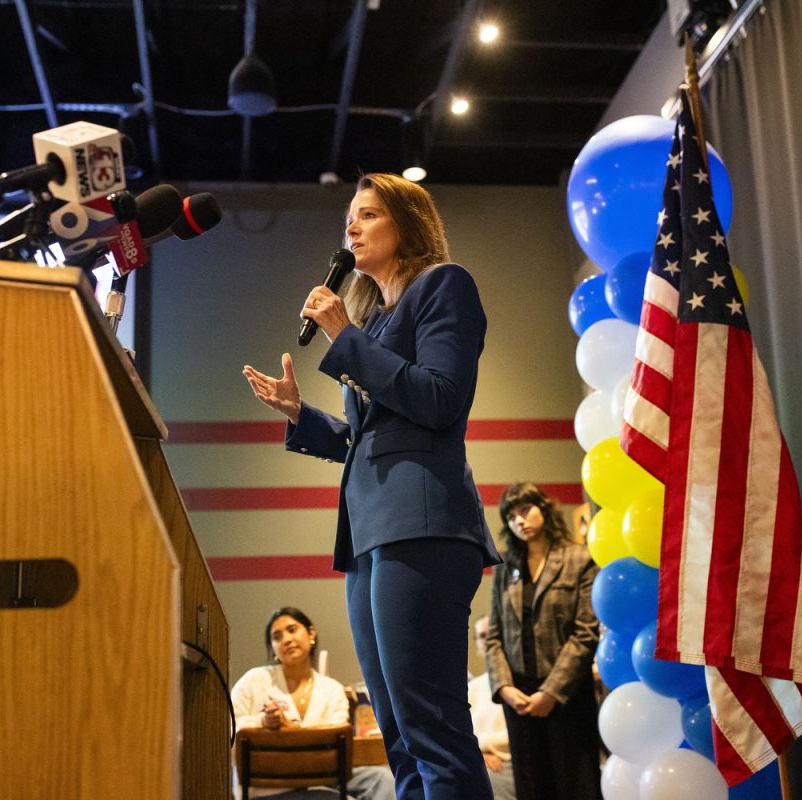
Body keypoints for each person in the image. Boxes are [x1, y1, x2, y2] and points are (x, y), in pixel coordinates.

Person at [243, 173, 501, 800]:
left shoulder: (445, 286)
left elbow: (440, 401)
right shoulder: (376, 323)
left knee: (432, 727)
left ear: (406, 224)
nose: (350, 228)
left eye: (367, 215)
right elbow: (372, 439)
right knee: (399, 737)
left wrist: (343, 337)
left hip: (424, 525)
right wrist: (303, 416)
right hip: (368, 535)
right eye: (348, 219)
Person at [485, 482, 601, 799]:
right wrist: (504, 687)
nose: (519, 520)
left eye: (525, 510)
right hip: (518, 699)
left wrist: (551, 691)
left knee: (576, 785)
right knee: (532, 789)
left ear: (544, 509)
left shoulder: (579, 559)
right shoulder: (506, 568)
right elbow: (493, 634)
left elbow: (585, 631)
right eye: (511, 516)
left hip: (567, 697)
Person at [231, 607, 396, 800]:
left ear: (311, 634)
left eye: (292, 630)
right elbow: (228, 730)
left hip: (321, 782)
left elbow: (336, 745)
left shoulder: (332, 690)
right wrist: (263, 722)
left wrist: (291, 730)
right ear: (273, 649)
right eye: (277, 637)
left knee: (382, 779)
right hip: (268, 787)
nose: (286, 639)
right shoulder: (254, 681)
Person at [467, 618, 516, 800]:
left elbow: (515, 735)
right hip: (481, 759)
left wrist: (483, 748)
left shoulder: (517, 684)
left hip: (510, 761)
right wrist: (480, 753)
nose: (487, 641)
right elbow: (463, 734)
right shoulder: (473, 688)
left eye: (492, 634)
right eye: (481, 636)